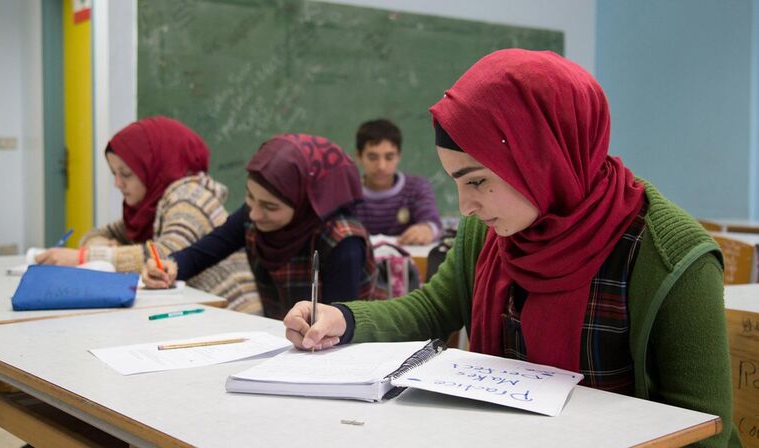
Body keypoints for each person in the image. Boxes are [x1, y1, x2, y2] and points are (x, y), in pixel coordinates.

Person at [283, 50, 739, 447]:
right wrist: (343, 319)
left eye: (477, 181)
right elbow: (434, 308)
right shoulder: (493, 229)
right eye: (457, 182)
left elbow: (704, 430)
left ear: (541, 158)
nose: (466, 207)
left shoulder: (669, 255)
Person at [36, 116, 260, 314]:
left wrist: (83, 258)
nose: (117, 183)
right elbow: (95, 234)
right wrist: (106, 246)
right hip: (193, 313)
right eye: (114, 173)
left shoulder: (190, 197)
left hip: (234, 318)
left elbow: (165, 256)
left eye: (126, 174)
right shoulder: (149, 207)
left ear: (154, 166)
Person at [143, 133, 378, 320]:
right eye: (249, 196)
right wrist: (169, 267)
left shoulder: (343, 241)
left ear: (304, 204)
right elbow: (201, 254)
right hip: (284, 341)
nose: (254, 213)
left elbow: (339, 325)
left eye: (270, 206)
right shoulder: (254, 214)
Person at [353, 119, 442, 245]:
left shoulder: (417, 188)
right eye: (372, 157)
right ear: (359, 156)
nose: (381, 166)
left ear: (399, 156)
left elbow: (433, 223)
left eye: (389, 157)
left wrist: (427, 229)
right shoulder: (348, 193)